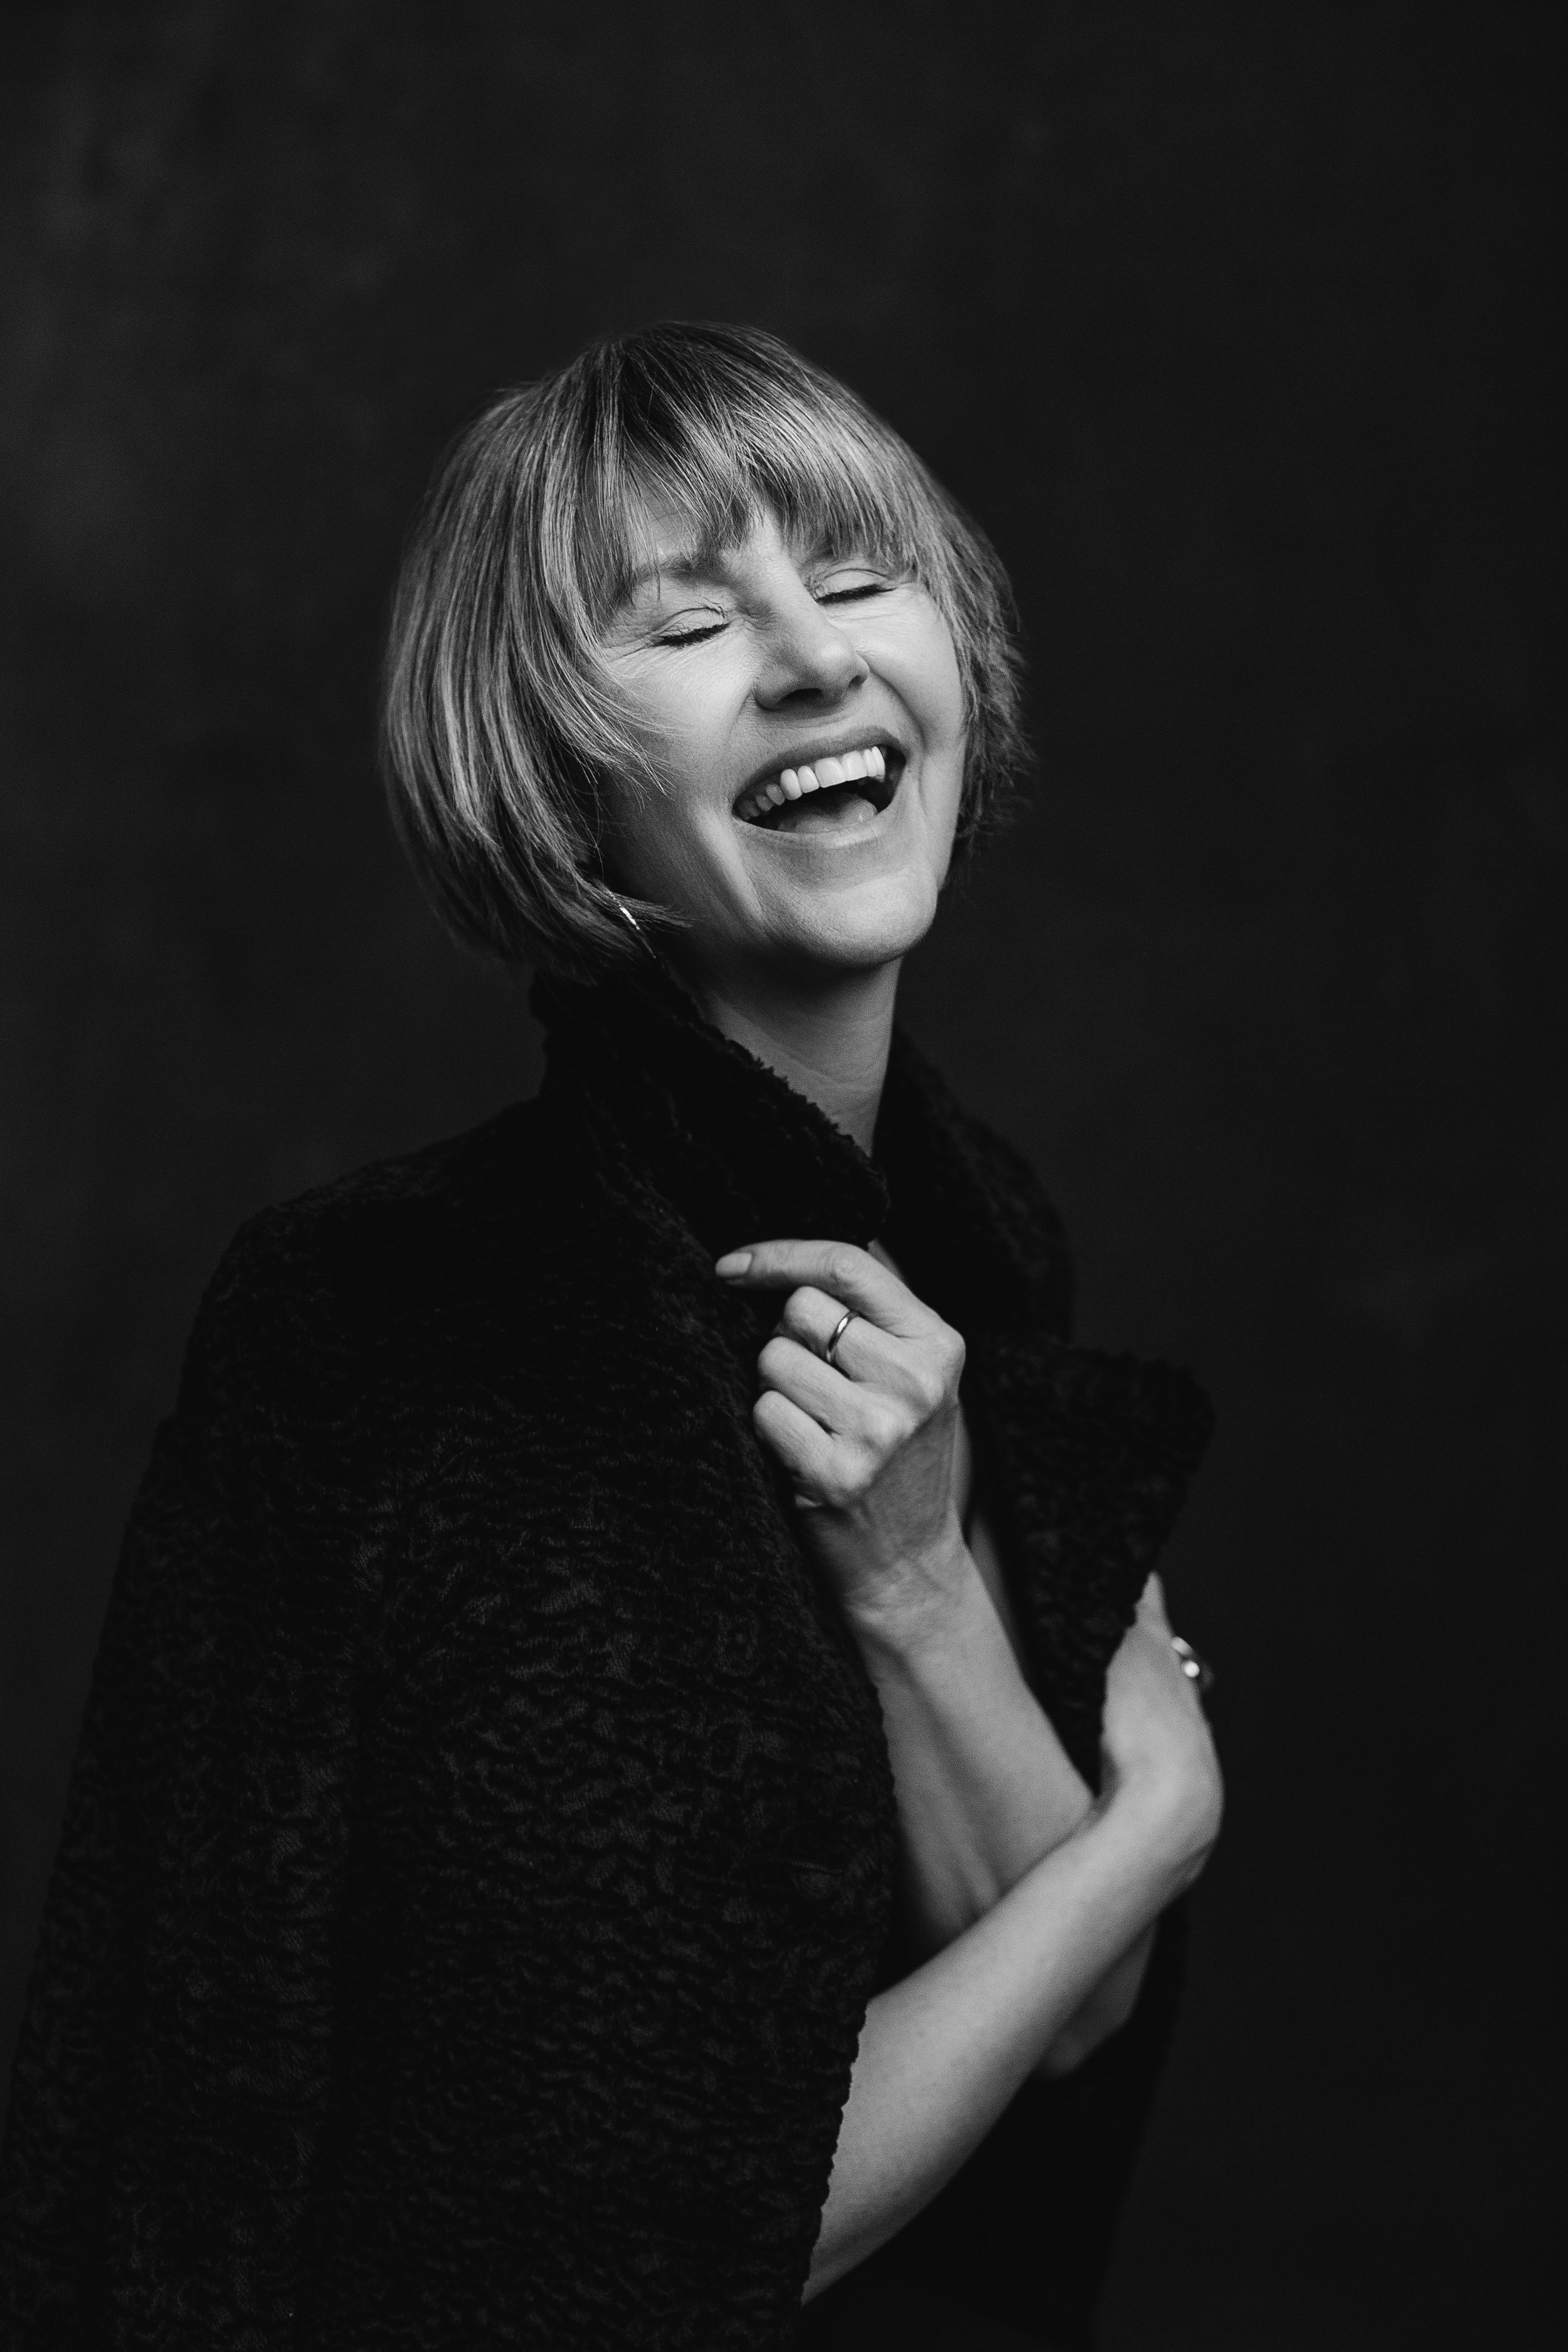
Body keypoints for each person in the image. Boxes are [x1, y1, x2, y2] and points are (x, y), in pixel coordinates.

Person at [0, 322, 1222, 2350]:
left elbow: (1061, 2034)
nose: (812, 658)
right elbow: (625, 2251)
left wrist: (918, 1586)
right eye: (690, 623)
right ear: (555, 788)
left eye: (854, 578)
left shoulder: (976, 1252)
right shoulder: (420, 1320)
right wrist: (1152, 1836)